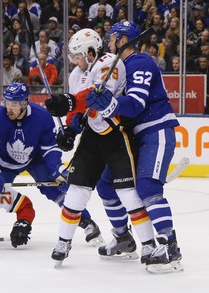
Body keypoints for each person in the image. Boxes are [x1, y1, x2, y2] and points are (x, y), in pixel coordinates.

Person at [45, 28, 156, 267]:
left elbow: (99, 95)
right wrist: (68, 130)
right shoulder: (76, 74)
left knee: (128, 193)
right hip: (93, 138)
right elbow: (77, 110)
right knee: (76, 190)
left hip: (116, 133)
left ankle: (149, 244)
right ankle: (64, 241)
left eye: (77, 55)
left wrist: (69, 101)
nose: (74, 60)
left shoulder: (108, 63)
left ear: (91, 52)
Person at [85, 21, 182, 273]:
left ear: (123, 39)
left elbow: (136, 103)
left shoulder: (141, 63)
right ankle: (123, 238)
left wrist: (110, 104)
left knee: (148, 187)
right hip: (131, 138)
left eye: (112, 37)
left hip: (155, 130)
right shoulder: (117, 67)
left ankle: (169, 246)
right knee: (106, 185)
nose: (108, 42)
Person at [0, 81, 103, 246]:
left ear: (25, 103)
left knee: (56, 189)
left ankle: (87, 222)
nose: (9, 108)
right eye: (7, 102)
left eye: (14, 104)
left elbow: (49, 148)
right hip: (3, 162)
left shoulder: (42, 116)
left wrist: (57, 168)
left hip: (35, 159)